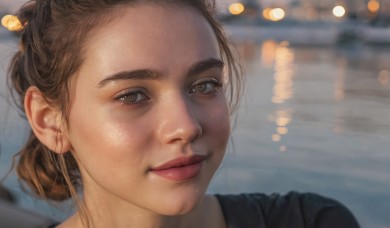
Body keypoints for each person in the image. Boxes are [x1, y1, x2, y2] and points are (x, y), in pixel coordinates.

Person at [7, 0, 360, 227]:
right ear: (48, 120)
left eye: (204, 85)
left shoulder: (311, 222)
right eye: (132, 95)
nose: (186, 126)